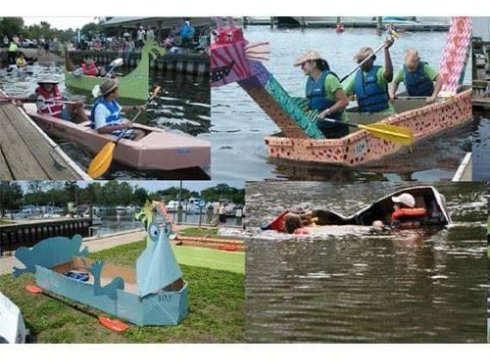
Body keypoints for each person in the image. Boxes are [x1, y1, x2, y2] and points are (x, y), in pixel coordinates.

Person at [294, 50, 350, 138]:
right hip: (320, 127)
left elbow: (344, 101)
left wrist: (326, 112)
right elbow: (310, 104)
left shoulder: (329, 79)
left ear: (313, 64)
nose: (302, 68)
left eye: (303, 64)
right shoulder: (309, 82)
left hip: (337, 126)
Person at [343, 37, 395, 115]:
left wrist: (386, 50)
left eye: (364, 60)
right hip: (366, 117)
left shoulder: (379, 72)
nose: (362, 63)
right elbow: (342, 95)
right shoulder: (355, 78)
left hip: (385, 114)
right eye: (360, 61)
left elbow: (389, 75)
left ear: (372, 59)